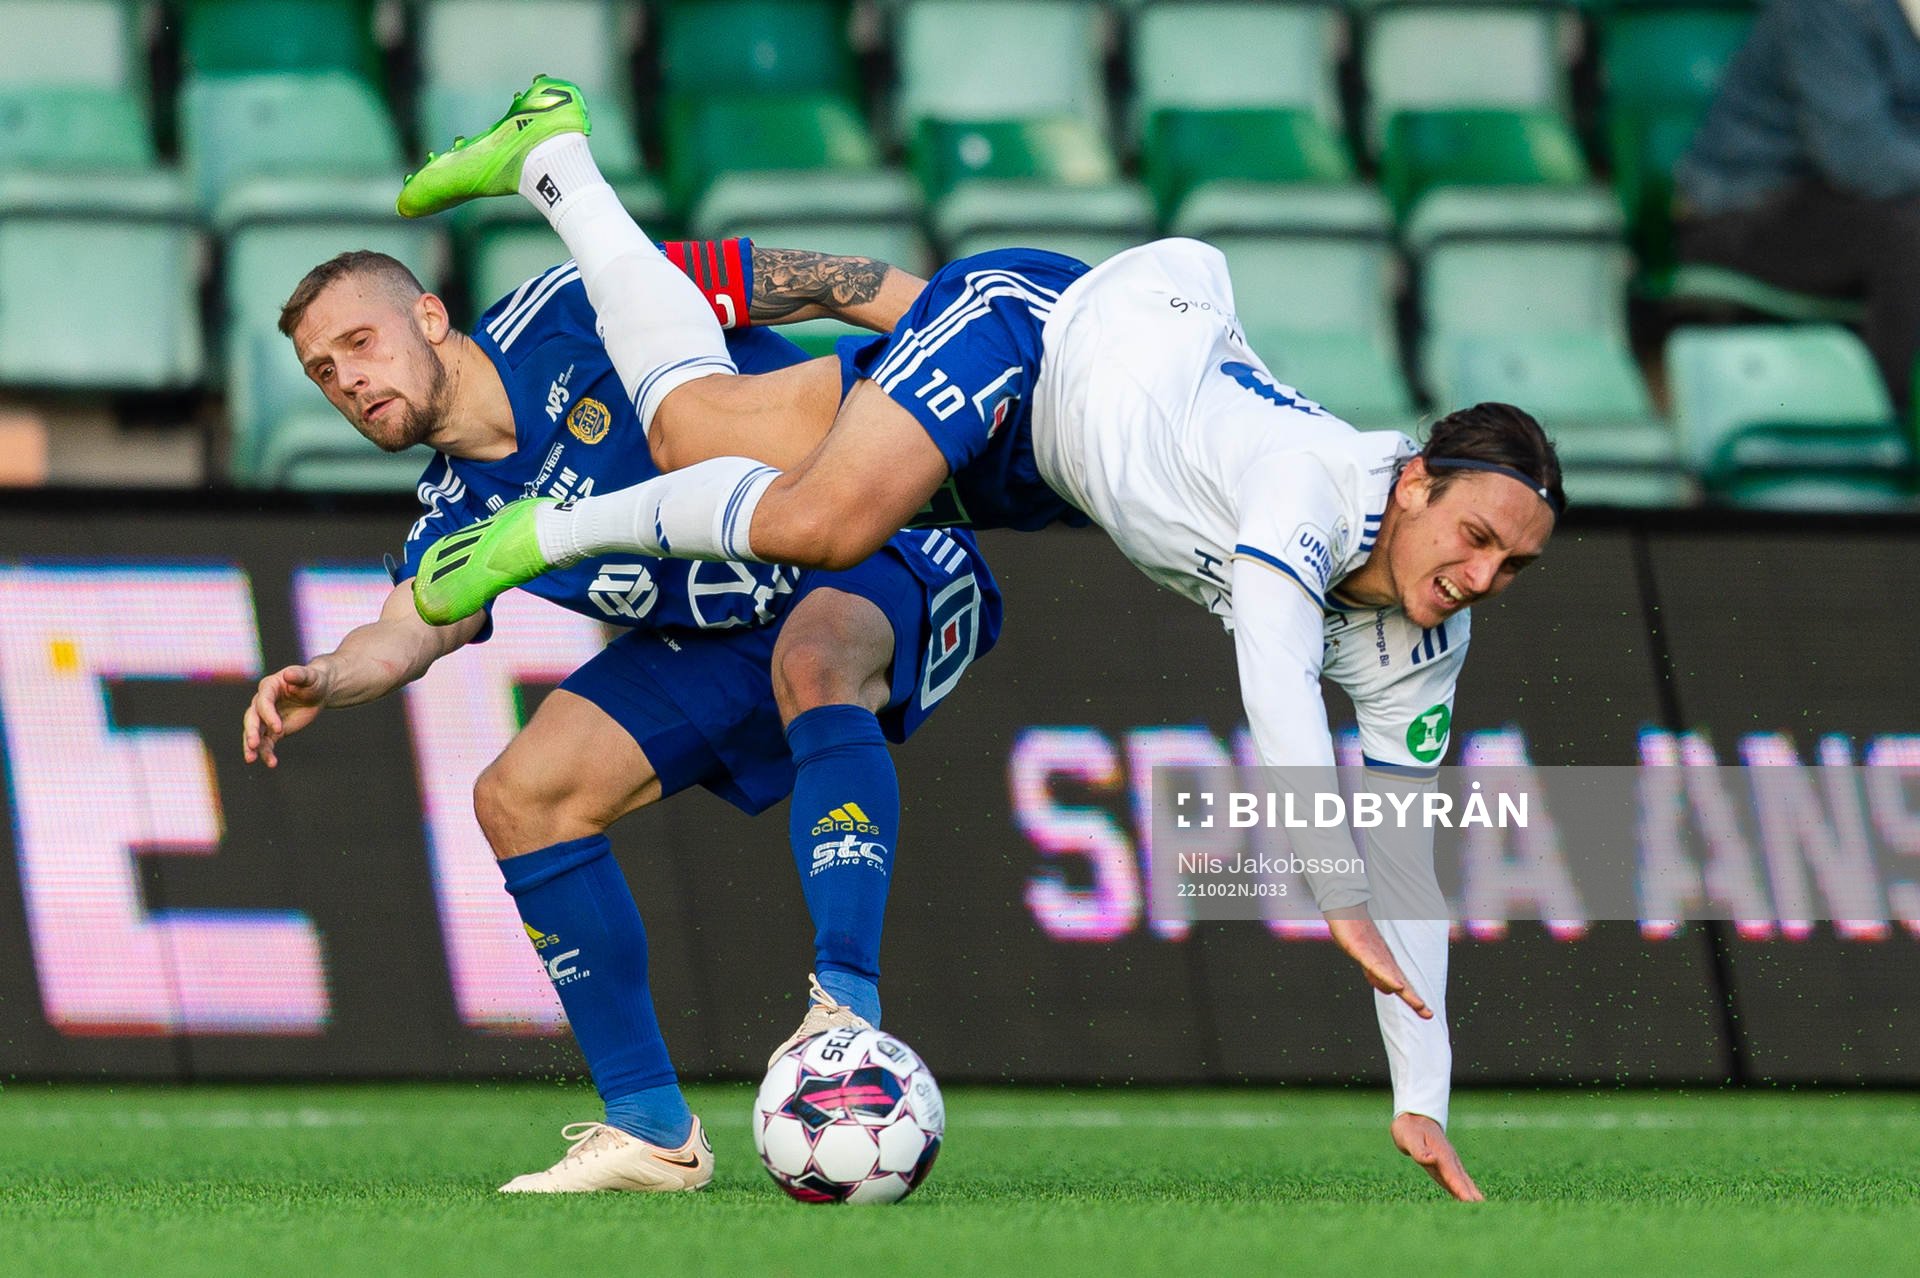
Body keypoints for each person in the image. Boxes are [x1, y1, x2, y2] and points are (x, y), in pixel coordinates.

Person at [399, 76, 1567, 1201]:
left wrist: (1425, 1093)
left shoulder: (1423, 640)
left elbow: (1407, 860)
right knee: (810, 518)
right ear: (1411, 482)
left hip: (1040, 461)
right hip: (1029, 336)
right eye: (1471, 537)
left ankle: (553, 159)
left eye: (1512, 569)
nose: (1477, 579)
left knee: (699, 424)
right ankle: (544, 487)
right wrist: (1330, 879)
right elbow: (1273, 669)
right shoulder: (1311, 488)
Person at [242, 242, 1001, 1192]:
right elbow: (410, 627)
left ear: (430, 318)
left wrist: (969, 353)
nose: (349, 381)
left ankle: (843, 1013)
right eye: (324, 372)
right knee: (519, 799)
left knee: (815, 661)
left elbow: (813, 278)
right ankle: (650, 1130)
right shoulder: (450, 513)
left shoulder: (574, 303)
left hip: (881, 531)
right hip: (728, 626)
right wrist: (326, 674)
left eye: (361, 343)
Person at [1675, 0, 1920, 413]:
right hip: (1741, 207)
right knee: (1909, 236)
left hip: (1848, 205)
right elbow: (1862, 160)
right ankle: (1891, 439)